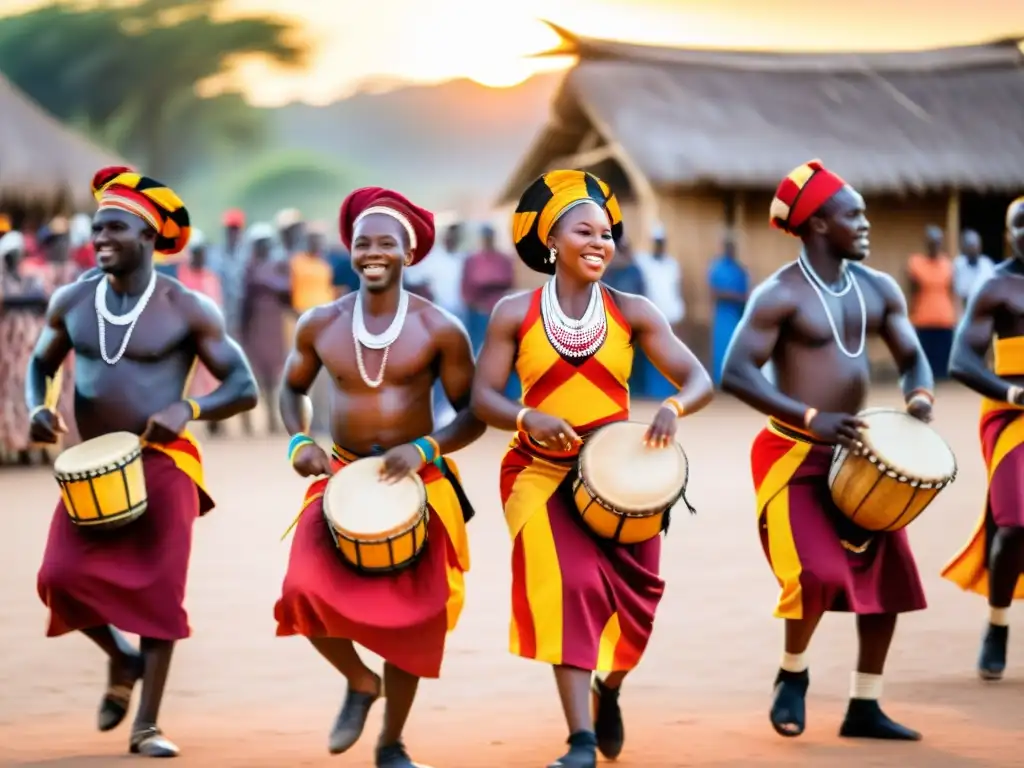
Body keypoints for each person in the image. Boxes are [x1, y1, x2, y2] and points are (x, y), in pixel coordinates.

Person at [471, 170, 714, 768]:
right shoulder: (513, 312)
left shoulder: (633, 310)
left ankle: (611, 688)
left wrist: (673, 406)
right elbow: (482, 398)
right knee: (572, 588)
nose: (600, 243)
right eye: (584, 231)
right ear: (552, 239)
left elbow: (699, 378)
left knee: (636, 607)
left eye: (607, 234)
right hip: (540, 472)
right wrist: (527, 415)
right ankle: (579, 739)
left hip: (623, 478)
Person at [27, 165, 258, 758]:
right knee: (59, 579)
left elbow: (244, 386)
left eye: (114, 230)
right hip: (92, 466)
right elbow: (40, 364)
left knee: (158, 593)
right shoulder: (72, 300)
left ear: (149, 237)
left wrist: (190, 406)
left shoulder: (188, 307)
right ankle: (122, 661)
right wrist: (39, 406)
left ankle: (147, 724)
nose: (99, 240)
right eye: (96, 229)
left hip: (163, 463)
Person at [721, 159, 934, 742]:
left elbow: (914, 355)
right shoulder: (779, 295)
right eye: (854, 215)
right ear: (817, 225)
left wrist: (918, 396)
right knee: (814, 573)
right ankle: (793, 675)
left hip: (859, 454)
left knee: (890, 579)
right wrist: (811, 417)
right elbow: (735, 372)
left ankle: (865, 704)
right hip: (793, 453)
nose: (866, 225)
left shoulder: (879, 288)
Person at [274, 187, 484, 768]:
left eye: (385, 243)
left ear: (408, 252)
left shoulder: (441, 328)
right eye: (362, 242)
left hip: (417, 482)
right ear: (350, 249)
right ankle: (360, 683)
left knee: (418, 618)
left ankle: (392, 741)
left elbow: (473, 415)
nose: (372, 252)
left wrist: (425, 448)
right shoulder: (320, 323)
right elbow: (290, 389)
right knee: (300, 592)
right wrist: (298, 439)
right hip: (340, 475)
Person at [942, 197, 1024, 681]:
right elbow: (961, 361)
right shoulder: (996, 287)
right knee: (1013, 524)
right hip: (1009, 415)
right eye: (1021, 225)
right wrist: (1011, 392)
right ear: (1008, 233)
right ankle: (997, 623)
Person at [240, 223, 291, 435]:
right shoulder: (248, 267)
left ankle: (273, 420)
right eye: (260, 244)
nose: (263, 247)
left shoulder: (278, 267)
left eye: (266, 243)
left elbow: (286, 290)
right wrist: (242, 329)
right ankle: (249, 425)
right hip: (255, 326)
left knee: (275, 376)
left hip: (274, 325)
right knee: (254, 375)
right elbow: (244, 302)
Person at [907, 224, 956, 379]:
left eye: (937, 241)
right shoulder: (915, 263)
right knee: (925, 364)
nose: (934, 245)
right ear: (926, 243)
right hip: (923, 319)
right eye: (931, 242)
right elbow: (911, 291)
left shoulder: (948, 265)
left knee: (943, 366)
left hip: (945, 319)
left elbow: (952, 291)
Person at [707, 231, 749, 387]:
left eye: (732, 247)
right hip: (722, 316)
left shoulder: (740, 270)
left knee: (734, 350)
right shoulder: (716, 268)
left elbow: (746, 294)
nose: (730, 250)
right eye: (728, 246)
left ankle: (733, 383)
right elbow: (714, 292)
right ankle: (720, 383)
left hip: (736, 316)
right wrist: (735, 296)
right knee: (721, 350)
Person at [952, 229, 995, 310]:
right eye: (970, 246)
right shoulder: (958, 265)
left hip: (984, 307)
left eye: (975, 245)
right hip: (964, 308)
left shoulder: (987, 265)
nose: (973, 249)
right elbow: (958, 292)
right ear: (963, 248)